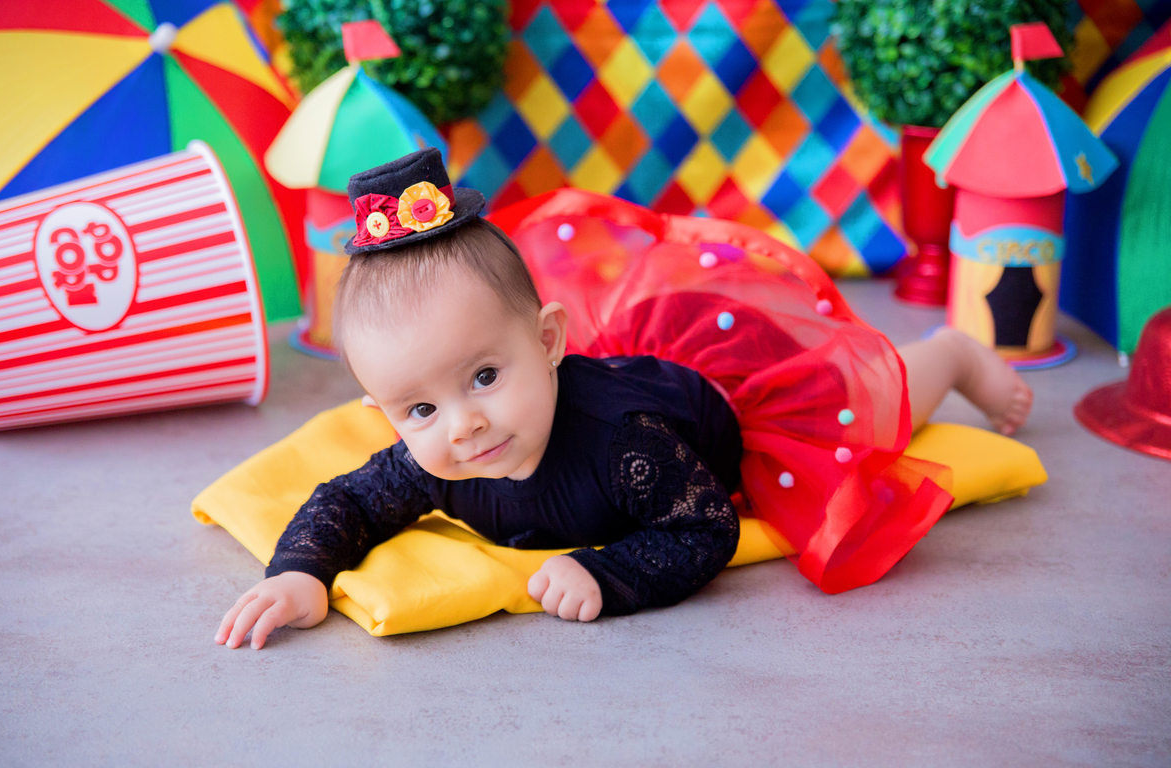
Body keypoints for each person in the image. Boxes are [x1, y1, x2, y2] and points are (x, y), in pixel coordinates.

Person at [216, 149, 1032, 649]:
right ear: (384, 414)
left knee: (863, 404)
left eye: (484, 377)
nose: (462, 425)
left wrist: (612, 575)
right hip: (637, 359)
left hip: (727, 392)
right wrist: (302, 575)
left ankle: (949, 354)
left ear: (547, 341)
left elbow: (705, 525)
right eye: (418, 410)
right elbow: (348, 500)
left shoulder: (627, 448)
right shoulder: (433, 462)